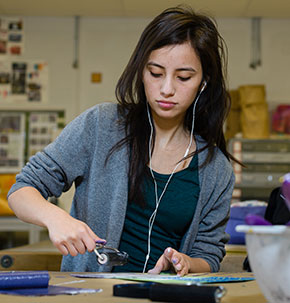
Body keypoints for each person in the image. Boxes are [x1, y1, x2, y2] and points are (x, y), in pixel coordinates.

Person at [8, 5, 236, 276]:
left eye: (184, 77)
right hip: (93, 295)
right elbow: (22, 190)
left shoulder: (216, 169)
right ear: (141, 71)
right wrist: (55, 218)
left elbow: (208, 255)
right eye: (155, 73)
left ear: (204, 82)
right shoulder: (102, 125)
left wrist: (187, 263)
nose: (167, 89)